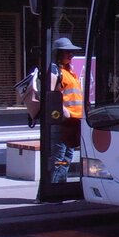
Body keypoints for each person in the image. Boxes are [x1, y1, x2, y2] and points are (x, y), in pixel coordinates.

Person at [49, 36, 83, 183]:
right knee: (59, 158)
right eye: (67, 52)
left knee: (67, 157)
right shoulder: (55, 70)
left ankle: (60, 186)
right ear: (58, 53)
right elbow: (50, 94)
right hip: (62, 122)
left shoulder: (69, 71)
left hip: (73, 122)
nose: (71, 55)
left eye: (72, 52)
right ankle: (54, 187)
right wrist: (62, 109)